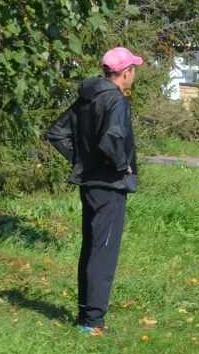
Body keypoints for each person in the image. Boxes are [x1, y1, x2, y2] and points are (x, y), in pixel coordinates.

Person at [46, 46, 143, 334]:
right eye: (133, 70)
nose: (134, 74)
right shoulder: (115, 101)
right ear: (124, 73)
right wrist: (121, 164)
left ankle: (86, 318)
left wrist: (82, 161)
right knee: (103, 252)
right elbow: (112, 138)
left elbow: (57, 132)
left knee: (91, 249)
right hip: (109, 186)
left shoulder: (88, 97)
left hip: (90, 183)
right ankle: (93, 323)